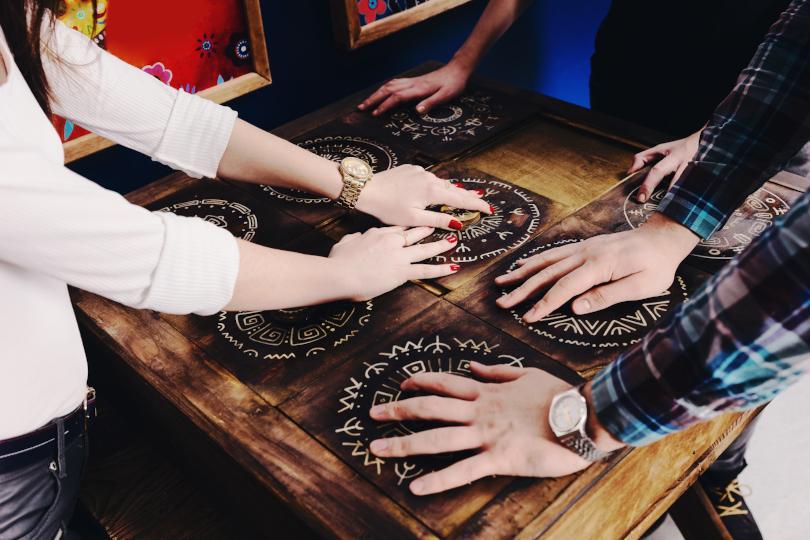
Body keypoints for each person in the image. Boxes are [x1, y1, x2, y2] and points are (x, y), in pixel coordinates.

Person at [0, 1, 493, 537]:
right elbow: (151, 257)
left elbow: (174, 120)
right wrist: (344, 275)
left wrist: (360, 186)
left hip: (53, 443)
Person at [369, 0, 809, 537]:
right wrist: (669, 230)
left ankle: (718, 470)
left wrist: (587, 420)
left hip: (749, 136)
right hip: (657, 79)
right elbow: (791, 64)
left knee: (725, 302)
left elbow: (789, 294)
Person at [358, 0, 790, 138]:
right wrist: (460, 64)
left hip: (750, 97)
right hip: (631, 71)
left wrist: (711, 138)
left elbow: (794, 57)